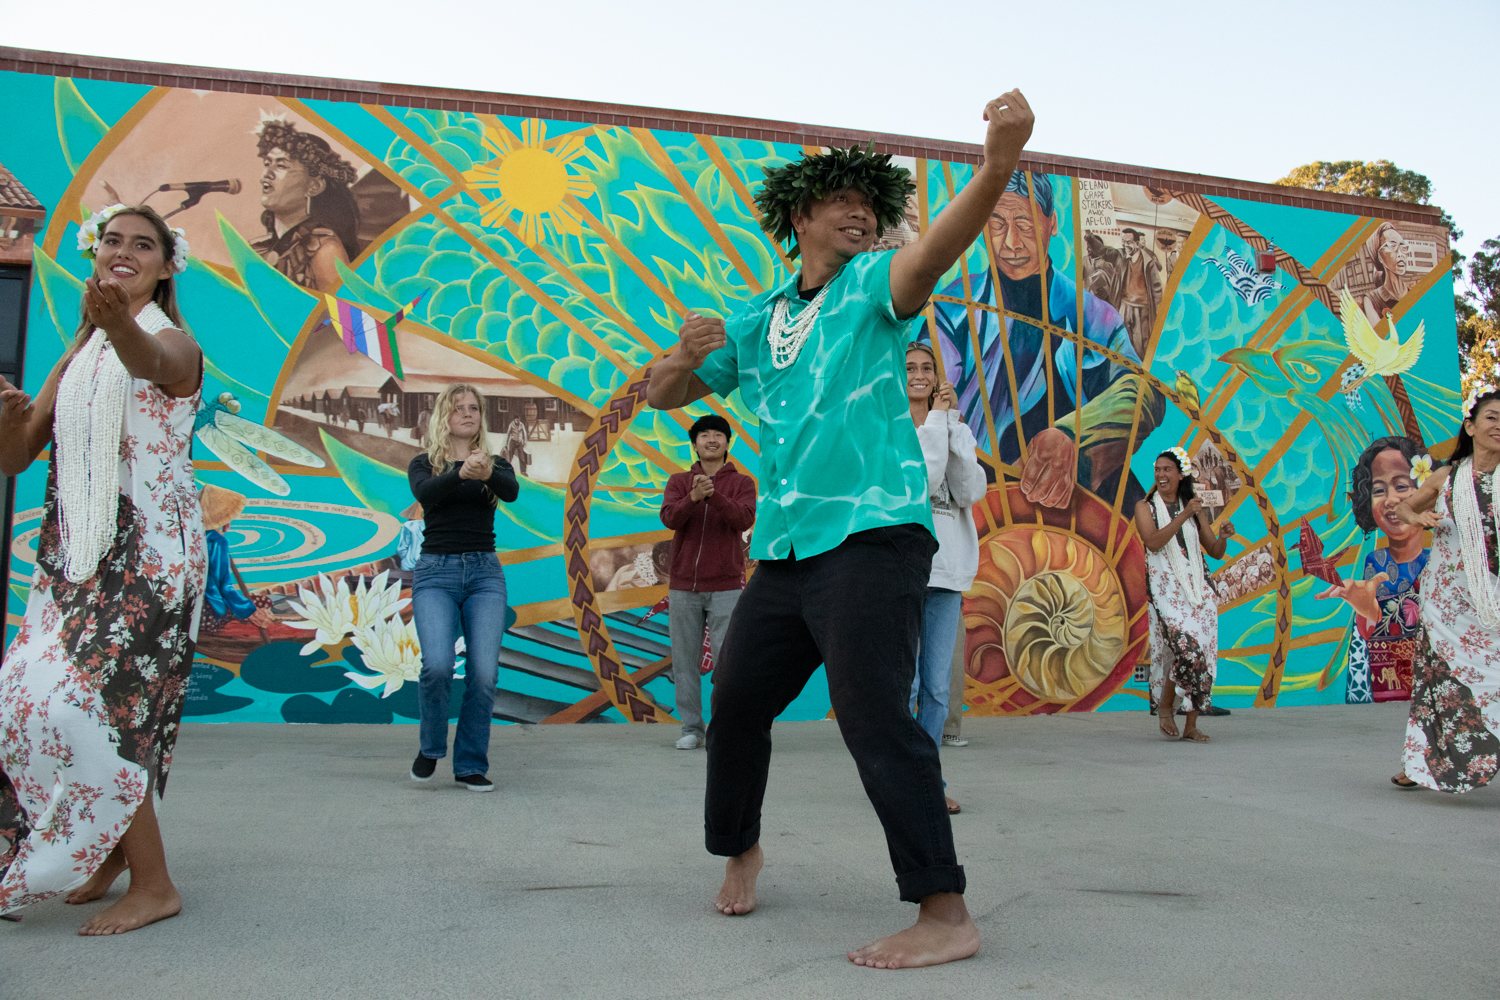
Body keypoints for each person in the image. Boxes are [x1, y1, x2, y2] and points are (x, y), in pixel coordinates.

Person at [647, 88, 1035, 970]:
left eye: (873, 204)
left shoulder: (871, 289)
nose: (863, 213)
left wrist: (999, 166)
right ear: (799, 218)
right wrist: (674, 357)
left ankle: (945, 910)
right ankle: (740, 847)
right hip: (785, 553)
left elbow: (933, 251)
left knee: (871, 714)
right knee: (736, 704)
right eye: (843, 201)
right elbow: (672, 393)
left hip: (874, 538)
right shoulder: (757, 322)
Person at [0, 204, 205, 934]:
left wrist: (119, 324)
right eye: (112, 240)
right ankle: (115, 853)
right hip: (73, 554)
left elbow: (157, 367)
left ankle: (155, 884)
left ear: (163, 264)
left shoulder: (170, 340)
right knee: (22, 696)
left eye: (142, 244)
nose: (124, 250)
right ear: (97, 254)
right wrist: (7, 418)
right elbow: (18, 454)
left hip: (152, 556)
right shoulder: (77, 353)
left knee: (89, 709)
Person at [928, 172, 1162, 509]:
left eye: (1023, 223)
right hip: (981, 502)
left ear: (1052, 223)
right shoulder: (954, 311)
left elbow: (1145, 394)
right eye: (996, 223)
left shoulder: (1092, 315)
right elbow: (928, 402)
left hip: (1080, 508)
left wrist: (1072, 433)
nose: (1011, 242)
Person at [406, 384, 519, 792]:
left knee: (484, 673)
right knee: (437, 666)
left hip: (485, 575)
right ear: (444, 417)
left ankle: (470, 763)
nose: (467, 414)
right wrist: (459, 472)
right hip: (436, 572)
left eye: (474, 408)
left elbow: (512, 491)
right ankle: (432, 747)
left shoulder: (497, 464)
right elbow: (425, 494)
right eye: (459, 409)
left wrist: (485, 472)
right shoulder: (424, 463)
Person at [1388, 384, 1500, 792]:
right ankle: (1418, 763)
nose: (1499, 426)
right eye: (1492, 418)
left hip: (1494, 595)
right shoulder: (1448, 475)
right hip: (1448, 596)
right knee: (1437, 678)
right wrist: (1417, 519)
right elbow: (1403, 506)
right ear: (1470, 426)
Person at [905, 344, 986, 812]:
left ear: (938, 376)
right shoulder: (891, 429)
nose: (918, 376)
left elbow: (968, 490)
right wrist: (936, 423)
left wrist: (954, 430)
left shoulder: (954, 427)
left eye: (926, 368)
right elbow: (921, 480)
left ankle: (927, 780)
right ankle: (899, 775)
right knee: (906, 686)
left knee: (936, 686)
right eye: (910, 369)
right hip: (900, 571)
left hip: (945, 572)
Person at [659, 414, 757, 750]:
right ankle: (691, 729)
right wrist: (693, 497)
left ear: (728, 443)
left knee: (727, 662)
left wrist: (712, 496)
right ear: (695, 443)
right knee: (684, 661)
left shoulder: (742, 483)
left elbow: (743, 519)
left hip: (727, 584)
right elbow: (670, 518)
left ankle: (725, 727)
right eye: (704, 435)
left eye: (718, 435)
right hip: (683, 584)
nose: (711, 440)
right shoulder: (678, 481)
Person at [1133, 446, 1234, 743]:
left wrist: (1224, 537)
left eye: (1167, 470)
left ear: (1180, 475)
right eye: (1157, 470)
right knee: (1185, 650)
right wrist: (1184, 515)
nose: (1161, 475)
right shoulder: (1145, 507)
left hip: (1199, 591)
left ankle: (1191, 724)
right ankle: (1166, 707)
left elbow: (1213, 551)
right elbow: (1153, 542)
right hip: (1166, 590)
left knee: (1202, 656)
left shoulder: (1192, 506)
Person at [1319, 436, 1429, 703]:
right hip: (1385, 701)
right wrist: (1367, 612)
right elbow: (1369, 640)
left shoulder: (1441, 560)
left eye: (1401, 486)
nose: (1390, 500)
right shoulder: (1375, 562)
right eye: (1378, 490)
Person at [251, 112, 361, 292]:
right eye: (267, 163)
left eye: (281, 166)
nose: (267, 173)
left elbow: (339, 316)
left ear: (314, 186)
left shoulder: (326, 250)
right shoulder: (256, 249)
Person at [1118, 228, 1163, 359]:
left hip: (1142, 309)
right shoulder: (1123, 259)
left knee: (1139, 346)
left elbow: (1157, 290)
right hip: (1124, 307)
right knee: (1121, 343)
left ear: (1137, 244)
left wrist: (1160, 316)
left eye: (1129, 242)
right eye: (1123, 241)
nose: (1126, 245)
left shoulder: (1149, 263)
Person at [1360, 222, 1415, 327]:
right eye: (1393, 246)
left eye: (1403, 247)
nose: (1400, 254)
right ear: (1379, 256)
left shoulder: (1414, 297)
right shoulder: (1371, 300)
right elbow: (1380, 338)